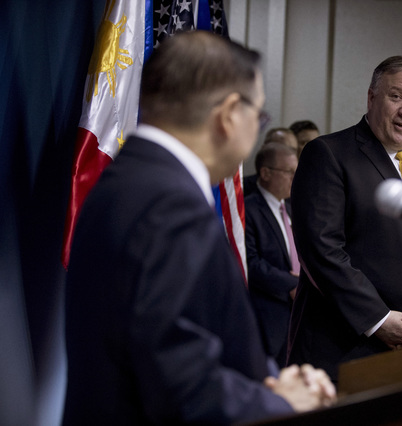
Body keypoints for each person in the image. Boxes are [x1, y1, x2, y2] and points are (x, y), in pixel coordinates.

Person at [63, 31, 335, 426]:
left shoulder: (128, 180)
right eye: (258, 116)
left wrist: (274, 382)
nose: (256, 130)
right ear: (228, 115)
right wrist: (284, 403)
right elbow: (182, 387)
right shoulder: (168, 205)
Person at [287, 55, 402, 381]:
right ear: (371, 97)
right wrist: (378, 318)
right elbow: (321, 251)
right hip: (343, 347)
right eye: (396, 96)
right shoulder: (328, 154)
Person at [245, 143, 299, 368]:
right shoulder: (247, 210)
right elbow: (250, 262)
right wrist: (292, 283)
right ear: (266, 173)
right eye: (289, 172)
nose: (294, 178)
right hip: (267, 317)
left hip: (296, 317)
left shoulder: (292, 207)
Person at [243, 127, 298, 197]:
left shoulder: (294, 195)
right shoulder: (241, 189)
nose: (287, 153)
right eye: (280, 147)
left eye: (292, 150)